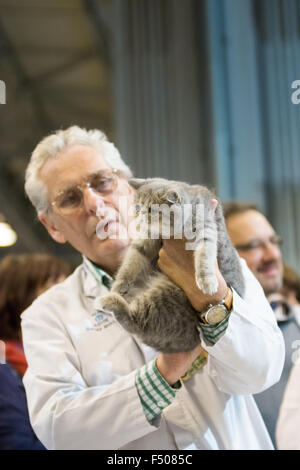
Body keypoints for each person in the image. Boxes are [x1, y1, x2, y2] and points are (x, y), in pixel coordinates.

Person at [21, 126, 284, 450]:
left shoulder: (214, 257)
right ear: (52, 226)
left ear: (129, 187)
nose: (93, 203)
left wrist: (212, 298)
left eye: (103, 182)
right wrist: (164, 373)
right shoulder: (47, 317)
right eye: (70, 198)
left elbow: (262, 371)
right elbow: (59, 429)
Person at [223, 201, 300, 447]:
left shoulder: (293, 319)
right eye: (254, 246)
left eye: (274, 242)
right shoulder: (216, 338)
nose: (273, 255)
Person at [0, 253, 71, 450]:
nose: (67, 300)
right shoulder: (5, 364)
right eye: (54, 288)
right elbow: (15, 443)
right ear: (20, 295)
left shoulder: (64, 355)